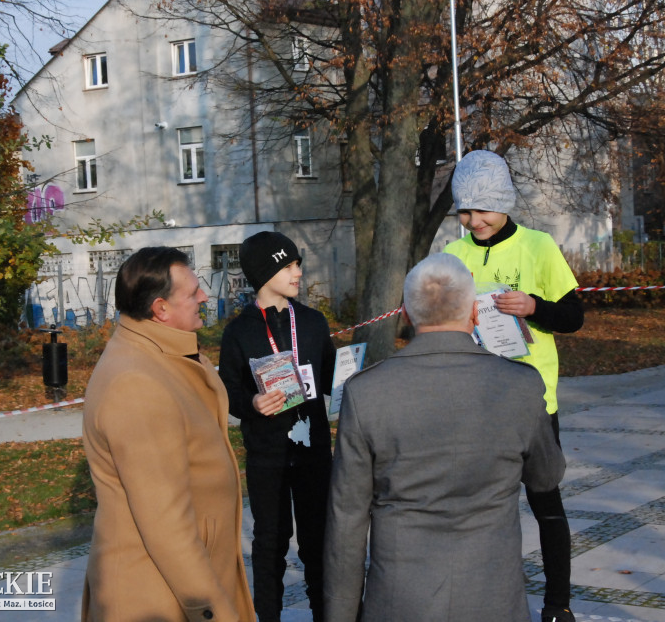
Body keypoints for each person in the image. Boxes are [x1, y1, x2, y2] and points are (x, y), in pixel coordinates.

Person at [323, 253, 565, 621]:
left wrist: (340, 615)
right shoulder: (520, 384)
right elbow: (546, 477)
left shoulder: (366, 392)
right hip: (493, 597)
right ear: (474, 313)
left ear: (404, 314)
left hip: (400, 601)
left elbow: (347, 519)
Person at [442, 149, 583, 622]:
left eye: (482, 209)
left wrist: (534, 307)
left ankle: (557, 604)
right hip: (474, 401)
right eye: (465, 210)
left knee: (546, 500)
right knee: (481, 508)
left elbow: (574, 318)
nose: (473, 220)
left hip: (532, 400)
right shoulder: (452, 255)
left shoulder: (538, 246)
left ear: (503, 203)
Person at [81, 247, 255, 622]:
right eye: (193, 293)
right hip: (159, 597)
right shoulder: (137, 383)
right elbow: (166, 524)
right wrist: (212, 611)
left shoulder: (161, 356)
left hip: (177, 582)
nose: (205, 297)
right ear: (160, 309)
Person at [218, 231, 335, 622]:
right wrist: (251, 402)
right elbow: (229, 389)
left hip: (313, 452)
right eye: (288, 266)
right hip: (267, 454)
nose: (298, 272)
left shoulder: (314, 323)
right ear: (263, 273)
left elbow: (330, 378)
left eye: (298, 263)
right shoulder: (239, 331)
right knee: (270, 542)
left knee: (317, 542)